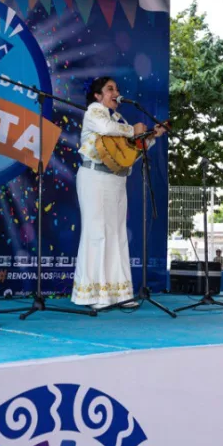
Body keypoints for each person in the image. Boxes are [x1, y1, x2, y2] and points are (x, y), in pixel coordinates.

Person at [72, 77, 166, 309]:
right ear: (97, 96)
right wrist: (132, 130)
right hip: (94, 176)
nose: (116, 92)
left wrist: (151, 136)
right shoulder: (94, 112)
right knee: (97, 233)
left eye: (117, 89)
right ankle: (94, 296)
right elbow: (108, 129)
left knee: (116, 234)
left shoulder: (118, 118)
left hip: (116, 179)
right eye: (110, 89)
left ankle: (120, 293)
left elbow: (130, 150)